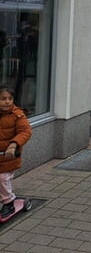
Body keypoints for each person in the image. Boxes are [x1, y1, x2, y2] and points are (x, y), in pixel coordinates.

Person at [0, 85, 32, 218]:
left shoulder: (18, 115)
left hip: (9, 157)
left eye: (10, 98)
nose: (7, 101)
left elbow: (25, 131)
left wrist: (14, 145)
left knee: (2, 178)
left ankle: (9, 202)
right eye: (3, 99)